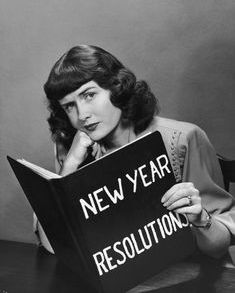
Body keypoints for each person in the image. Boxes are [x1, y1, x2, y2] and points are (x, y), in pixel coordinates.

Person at [35, 44, 235, 258]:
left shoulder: (182, 139)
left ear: (116, 87)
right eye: (69, 106)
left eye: (89, 95)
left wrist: (201, 218)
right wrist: (71, 164)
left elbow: (218, 248)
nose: (82, 114)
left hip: (187, 272)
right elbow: (54, 246)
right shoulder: (71, 147)